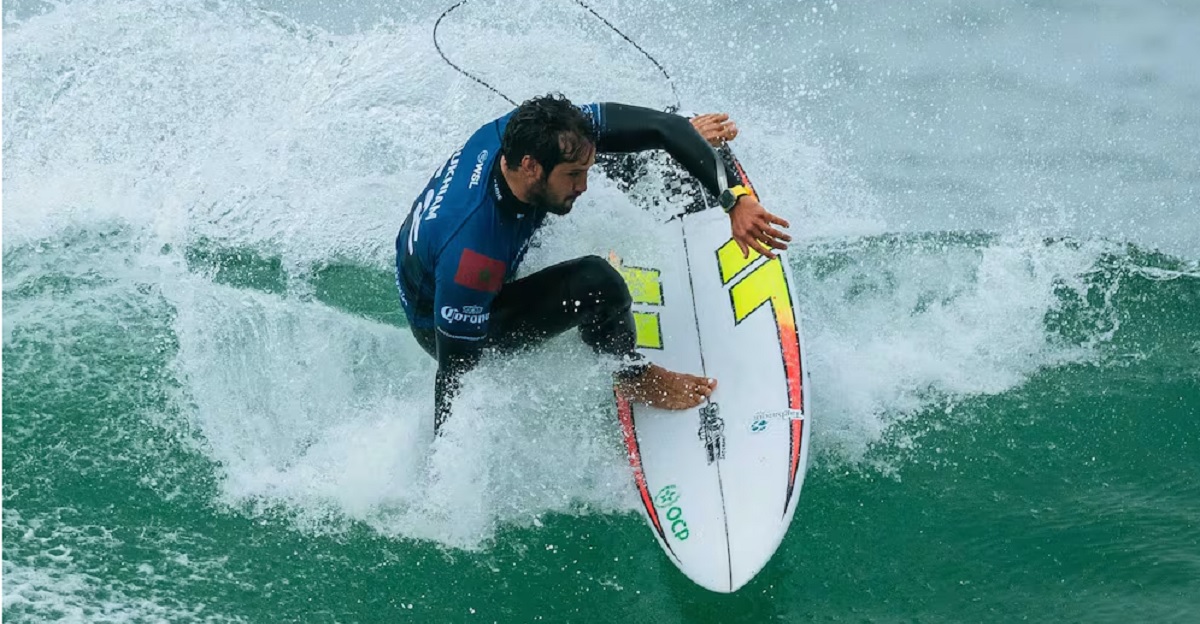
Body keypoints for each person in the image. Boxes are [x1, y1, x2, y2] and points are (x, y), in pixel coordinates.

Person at [395, 94, 791, 433]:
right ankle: (633, 378)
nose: (583, 186)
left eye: (583, 172)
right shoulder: (475, 255)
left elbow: (659, 126)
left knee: (638, 150)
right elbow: (456, 373)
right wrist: (443, 489)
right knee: (599, 282)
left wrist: (733, 198)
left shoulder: (525, 133)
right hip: (449, 319)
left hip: (455, 250)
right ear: (530, 166)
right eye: (573, 176)